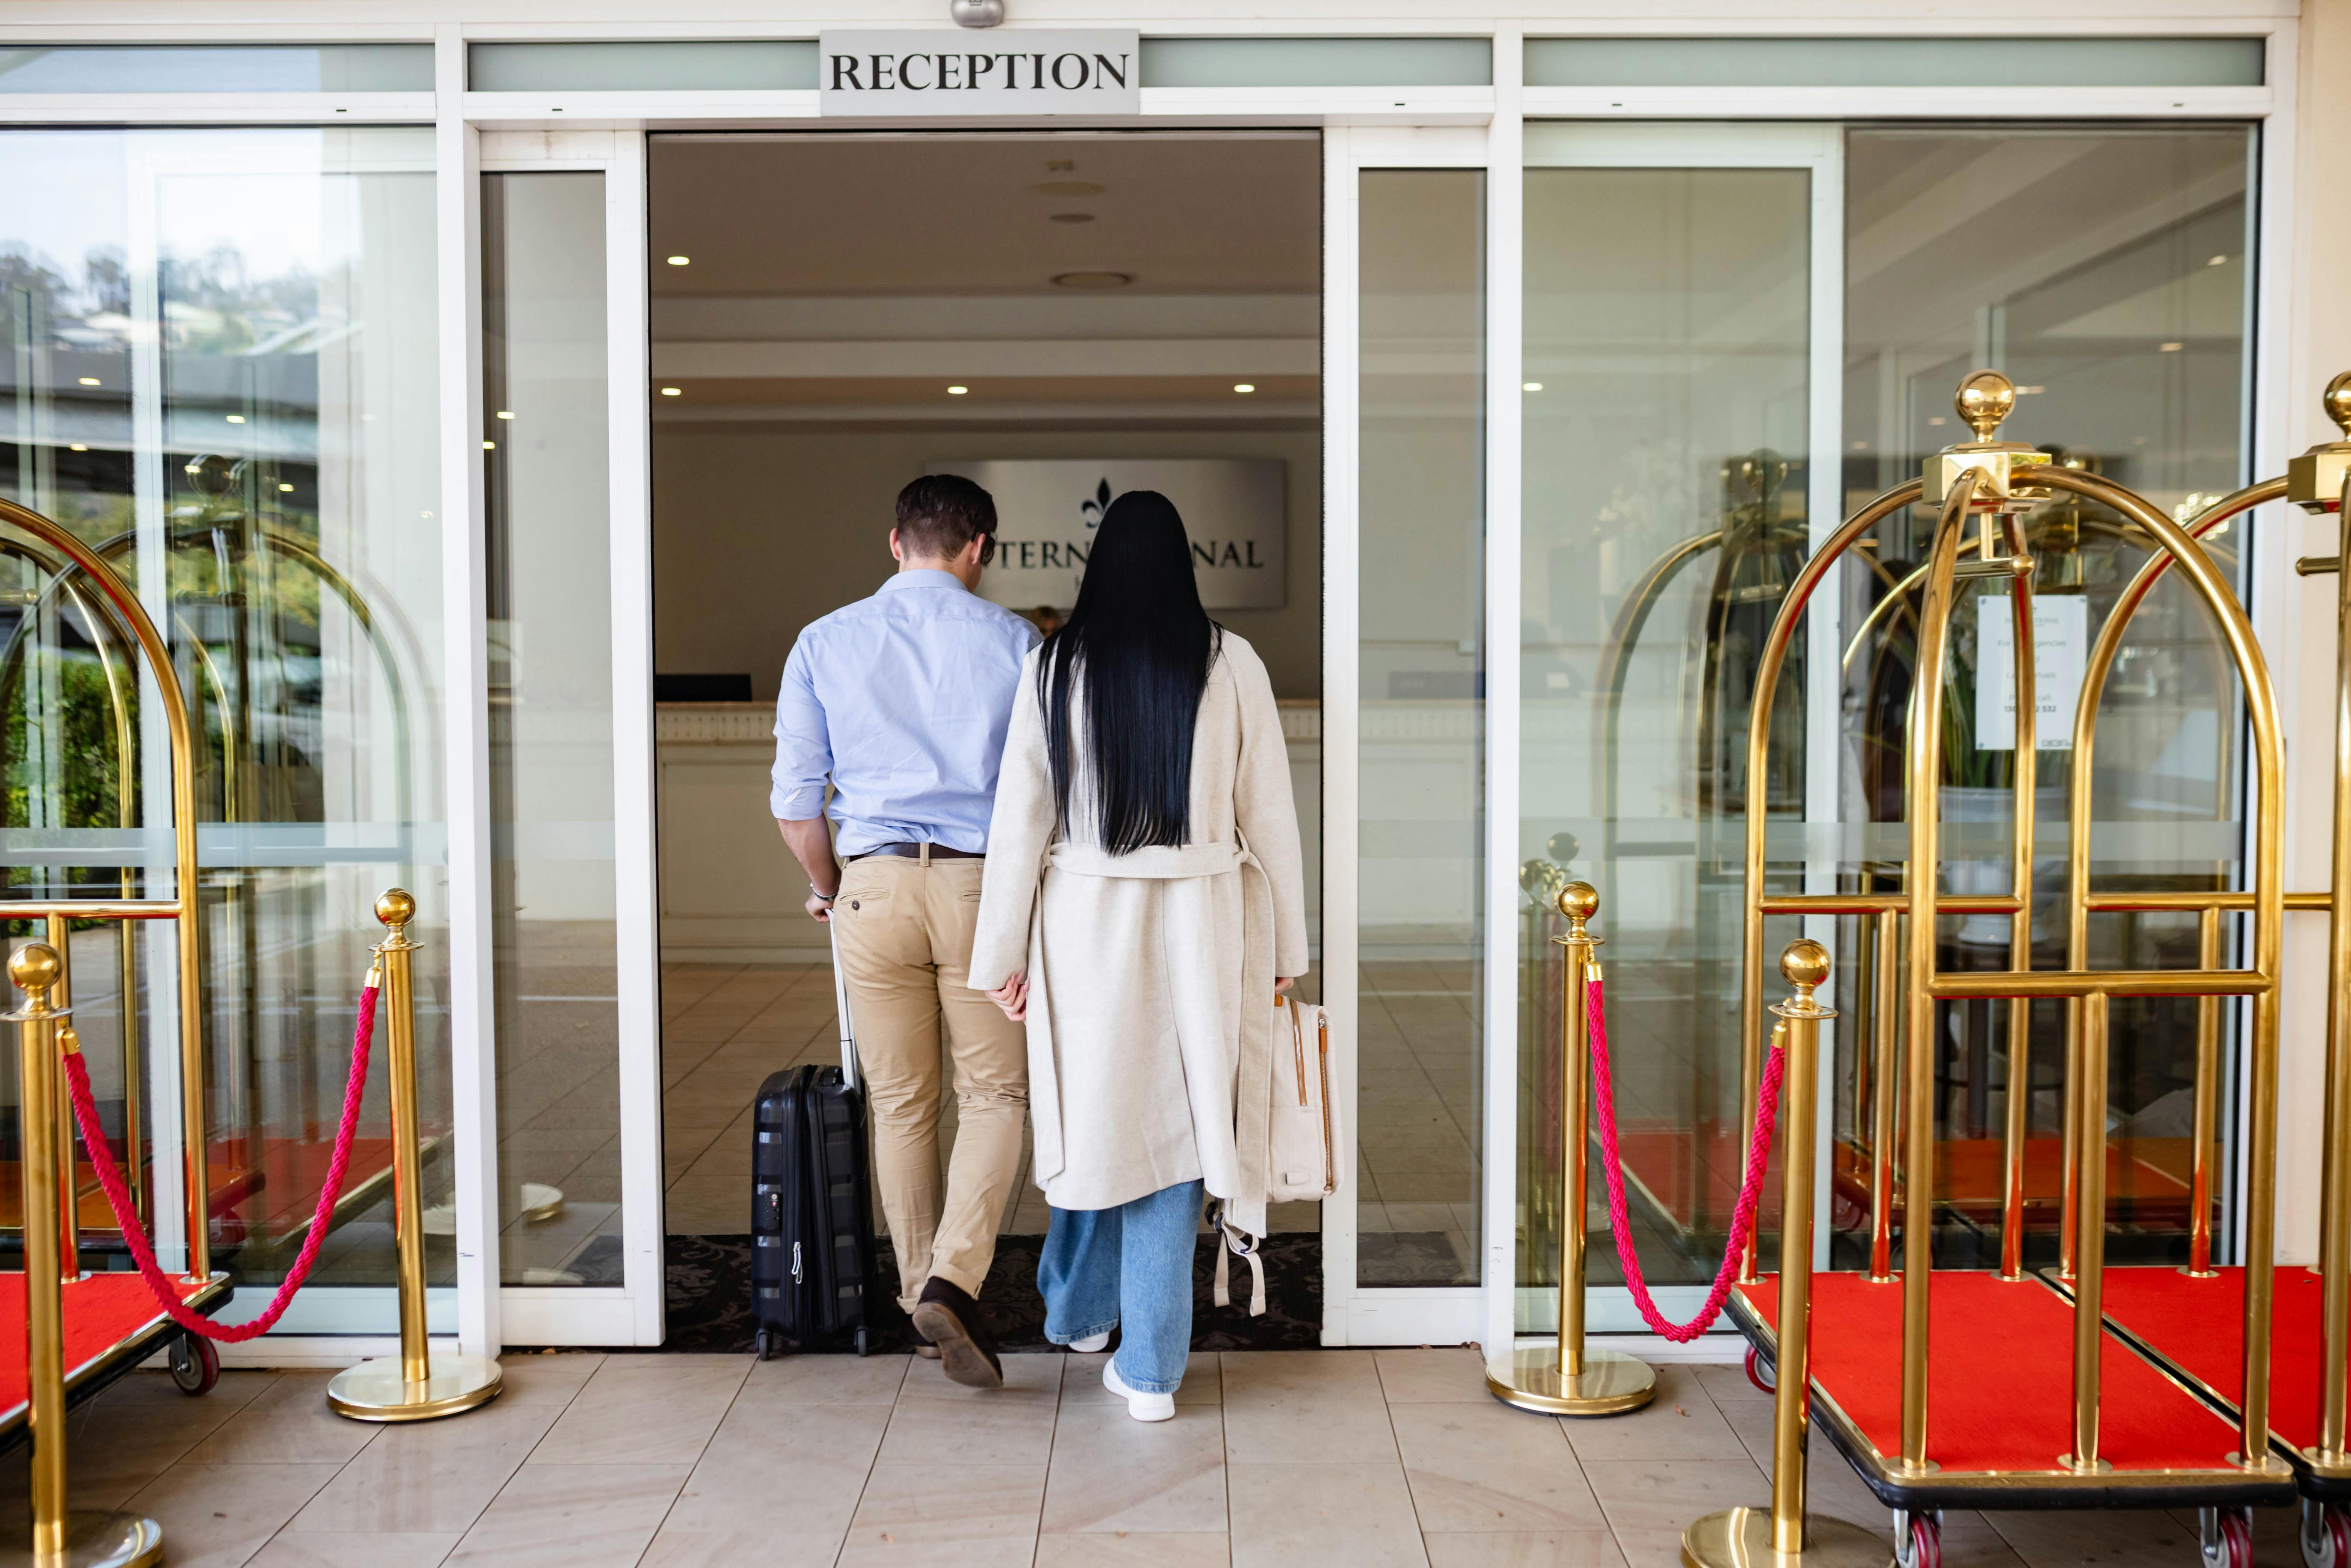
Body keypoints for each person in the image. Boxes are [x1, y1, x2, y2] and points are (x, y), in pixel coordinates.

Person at [968, 489, 1307, 1422]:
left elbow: (1018, 821)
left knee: (1095, 1115)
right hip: (1203, 919)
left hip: (1082, 919)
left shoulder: (1053, 664)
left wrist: (1000, 950)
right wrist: (1284, 944)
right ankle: (1149, 1367)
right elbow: (1267, 810)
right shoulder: (1230, 660)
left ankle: (1077, 1313)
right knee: (1181, 1131)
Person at [771, 473, 1038, 1388]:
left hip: (871, 887)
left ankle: (917, 1301)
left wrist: (828, 885)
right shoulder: (1017, 643)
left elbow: (797, 807)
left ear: (896, 543)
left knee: (901, 1103)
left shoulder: (824, 641)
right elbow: (1045, 796)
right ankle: (953, 1279)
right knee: (997, 1095)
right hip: (979, 890)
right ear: (979, 550)